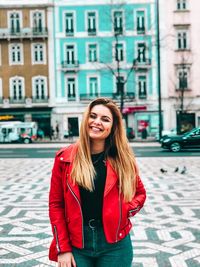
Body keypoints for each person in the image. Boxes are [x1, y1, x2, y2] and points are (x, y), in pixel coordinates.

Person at [49, 97, 146, 267]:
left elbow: (140, 194)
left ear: (113, 127)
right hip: (77, 243)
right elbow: (56, 205)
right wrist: (62, 248)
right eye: (93, 116)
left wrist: (123, 211)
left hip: (115, 246)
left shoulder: (123, 159)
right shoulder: (65, 158)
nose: (97, 122)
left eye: (105, 119)